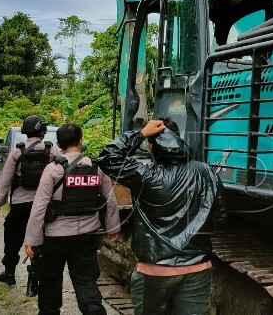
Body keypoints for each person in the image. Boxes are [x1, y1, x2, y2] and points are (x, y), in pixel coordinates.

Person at [95, 118, 226, 315]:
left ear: (150, 144)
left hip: (154, 272)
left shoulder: (145, 175)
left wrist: (140, 133)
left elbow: (107, 158)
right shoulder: (207, 171)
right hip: (198, 267)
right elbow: (221, 218)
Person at [24, 123, 120, 315]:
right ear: (81, 140)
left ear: (59, 144)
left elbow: (39, 207)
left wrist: (31, 239)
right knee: (86, 281)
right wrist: (113, 228)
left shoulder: (52, 170)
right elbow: (110, 201)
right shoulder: (96, 169)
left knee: (50, 281)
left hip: (55, 238)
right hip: (86, 236)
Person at [0, 115, 62, 286]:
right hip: (43, 205)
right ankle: (36, 277)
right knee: (39, 241)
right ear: (42, 132)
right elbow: (63, 173)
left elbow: (5, 180)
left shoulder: (17, 151)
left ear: (25, 132)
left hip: (19, 205)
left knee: (12, 239)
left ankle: (9, 273)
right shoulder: (51, 151)